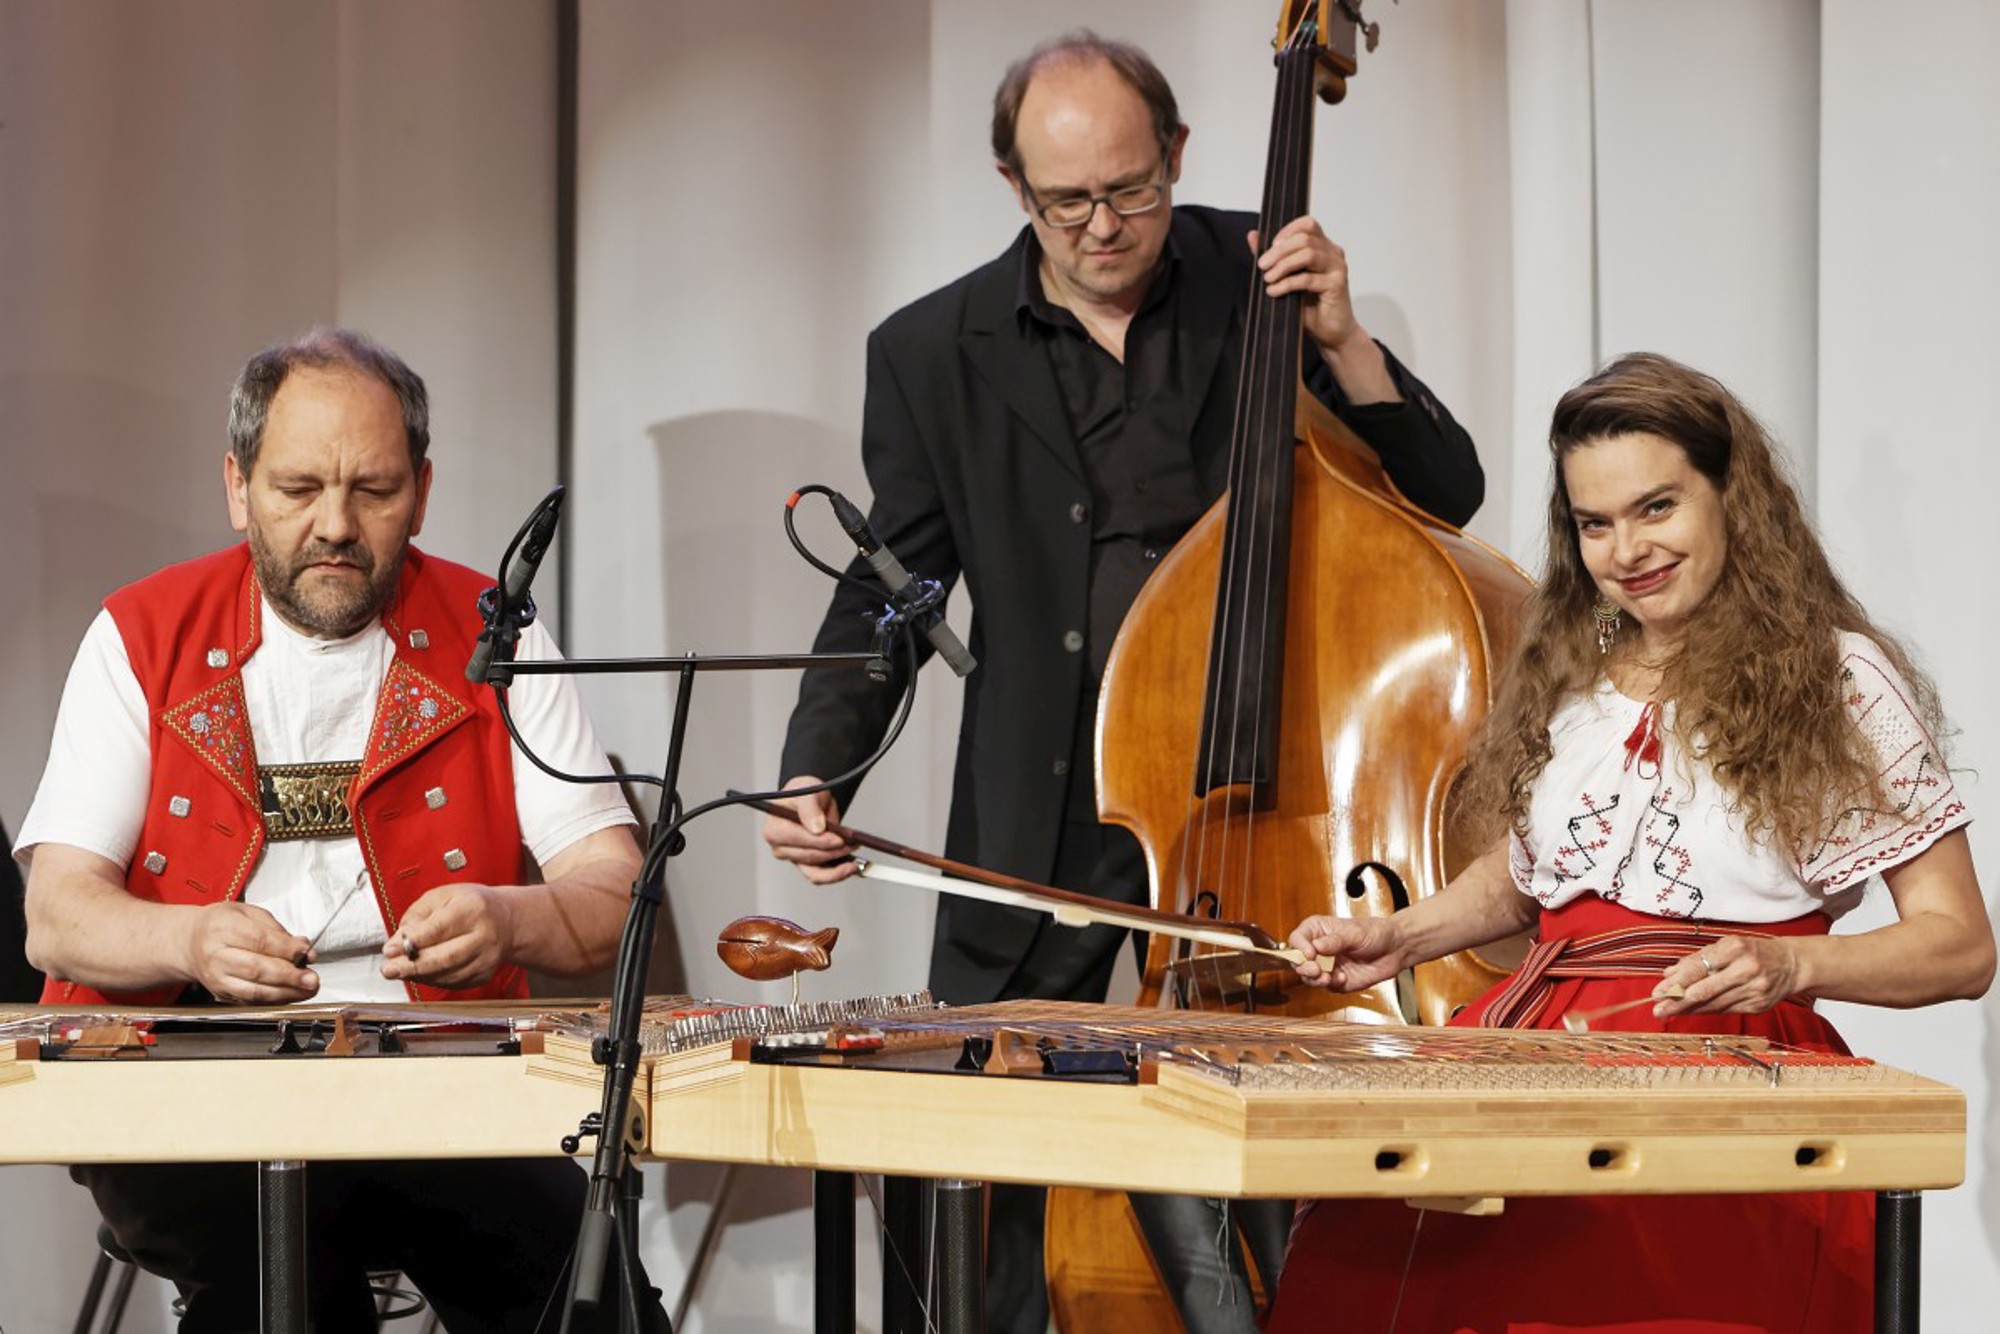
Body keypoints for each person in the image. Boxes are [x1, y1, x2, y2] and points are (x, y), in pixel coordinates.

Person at [761, 29, 1486, 1334]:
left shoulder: (1265, 278)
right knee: (984, 1194)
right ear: (1012, 185)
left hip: (1265, 805)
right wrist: (821, 760)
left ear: (1178, 155)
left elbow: (1448, 492)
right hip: (1042, 817)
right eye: (1066, 202)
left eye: (1131, 190)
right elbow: (889, 589)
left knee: (1297, 1172)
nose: (1103, 225)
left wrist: (1347, 341)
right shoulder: (931, 350)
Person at [1269, 352, 1995, 1333]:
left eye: (1656, 507)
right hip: (1532, 1056)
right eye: (1595, 523)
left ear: (1731, 496)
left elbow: (1959, 945)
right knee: (1355, 1277)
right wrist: (1402, 936)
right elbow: (1534, 874)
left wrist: (1791, 964)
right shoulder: (1576, 666)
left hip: (1719, 1077)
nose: (1626, 550)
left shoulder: (1835, 677)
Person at [16, 328, 667, 1334]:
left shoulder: (497, 635)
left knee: (589, 1300)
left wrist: (508, 918)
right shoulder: (142, 634)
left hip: (438, 1085)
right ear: (238, 488)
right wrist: (190, 938)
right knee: (284, 1291)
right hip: (177, 1081)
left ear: (423, 490)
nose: (336, 524)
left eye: (374, 489)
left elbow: (616, 892)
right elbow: (57, 916)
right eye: (298, 488)